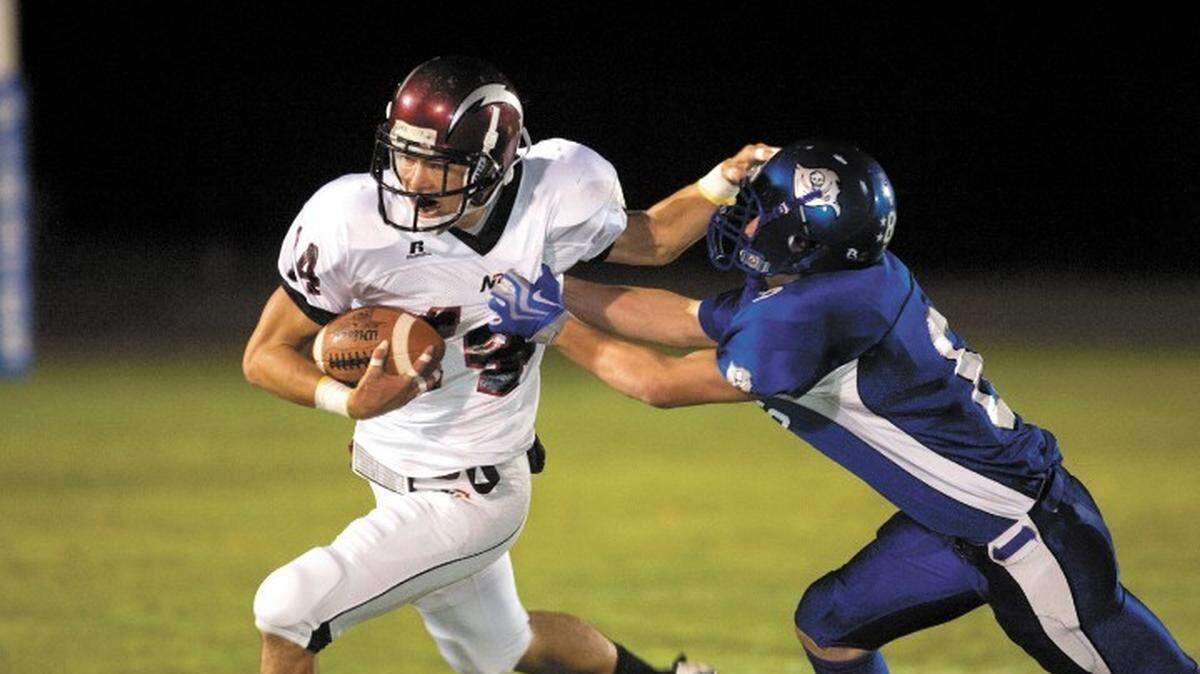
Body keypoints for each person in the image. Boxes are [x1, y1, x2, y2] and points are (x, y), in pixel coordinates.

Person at [485, 140, 1199, 674]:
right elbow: (676, 316)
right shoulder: (833, 281)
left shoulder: (808, 315)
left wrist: (548, 319)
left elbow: (657, 382)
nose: (746, 222)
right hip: (955, 525)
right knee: (829, 624)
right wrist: (546, 283)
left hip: (1025, 535)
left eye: (764, 213)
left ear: (804, 237)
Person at [242, 55, 775, 674]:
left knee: (287, 609)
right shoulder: (347, 221)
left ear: (494, 164)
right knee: (508, 649)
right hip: (387, 469)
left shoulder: (555, 189)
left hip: (474, 492)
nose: (412, 180)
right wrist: (346, 402)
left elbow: (650, 238)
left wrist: (721, 183)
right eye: (404, 155)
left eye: (439, 166)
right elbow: (264, 355)